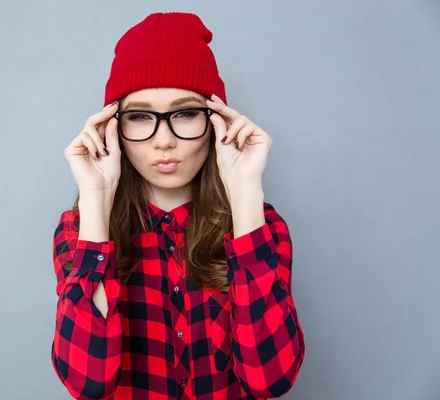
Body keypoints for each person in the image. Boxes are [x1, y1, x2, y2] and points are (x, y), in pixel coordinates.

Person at [51, 12, 305, 400]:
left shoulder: (263, 228)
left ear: (217, 119)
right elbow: (88, 382)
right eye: (139, 117)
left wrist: (246, 189)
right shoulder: (78, 230)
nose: (164, 141)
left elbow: (269, 379)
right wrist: (95, 197)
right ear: (112, 127)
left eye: (185, 113)